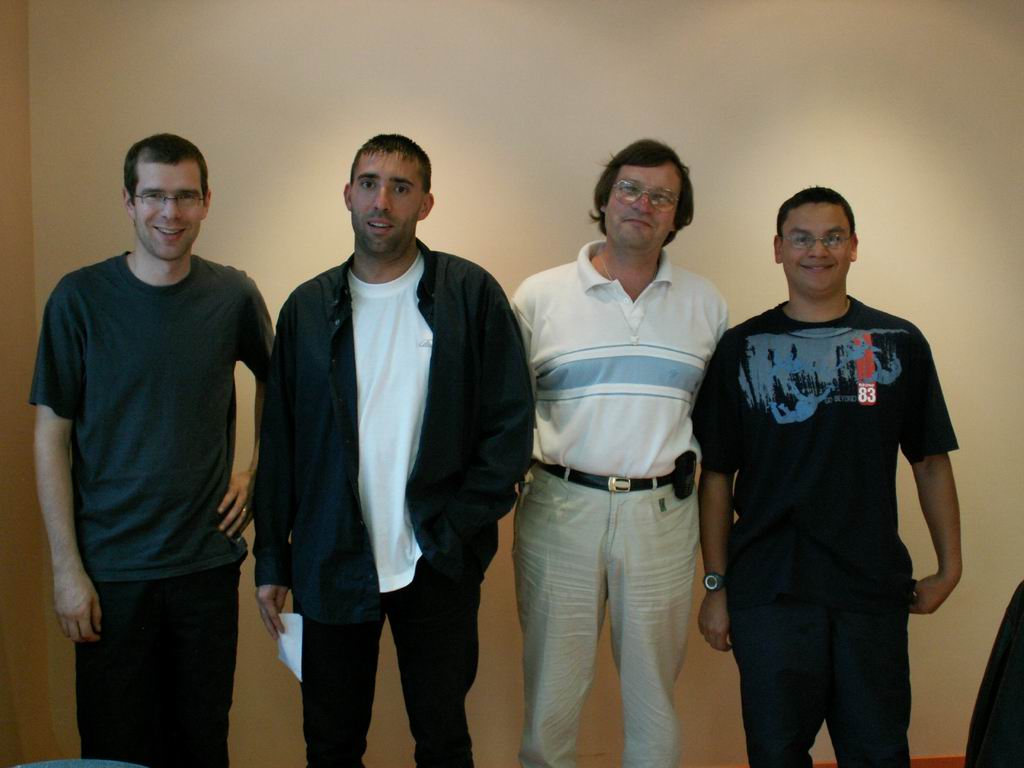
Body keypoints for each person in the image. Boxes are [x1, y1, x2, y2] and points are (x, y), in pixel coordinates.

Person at [253, 133, 533, 768]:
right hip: (329, 558)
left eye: (401, 188)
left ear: (425, 204)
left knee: (442, 739)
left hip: (434, 561)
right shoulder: (306, 308)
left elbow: (510, 426)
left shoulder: (470, 295)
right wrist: (272, 559)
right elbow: (280, 445)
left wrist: (455, 529)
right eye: (369, 184)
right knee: (331, 743)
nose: (382, 201)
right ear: (347, 195)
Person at [693, 186, 962, 767]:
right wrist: (716, 586)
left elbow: (930, 460)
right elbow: (715, 477)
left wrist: (950, 567)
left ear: (854, 246)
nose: (818, 251)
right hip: (770, 587)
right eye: (802, 238)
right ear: (778, 249)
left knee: (878, 751)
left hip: (871, 587)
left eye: (833, 237)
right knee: (776, 752)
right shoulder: (740, 349)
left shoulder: (897, 342)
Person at [30, 133, 273, 767]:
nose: (171, 212)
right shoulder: (78, 299)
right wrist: (66, 569)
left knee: (202, 745)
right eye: (155, 196)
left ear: (207, 202)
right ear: (129, 201)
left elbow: (278, 383)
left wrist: (256, 469)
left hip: (204, 566)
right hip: (110, 573)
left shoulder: (232, 295)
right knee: (116, 752)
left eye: (186, 196)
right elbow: (51, 435)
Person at [511, 139, 728, 768]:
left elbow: (712, 424)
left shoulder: (706, 305)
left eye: (662, 197)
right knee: (551, 697)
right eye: (630, 189)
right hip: (560, 509)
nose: (643, 204)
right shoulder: (539, 296)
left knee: (653, 696)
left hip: (662, 516)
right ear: (605, 199)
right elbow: (507, 411)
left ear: (678, 215)